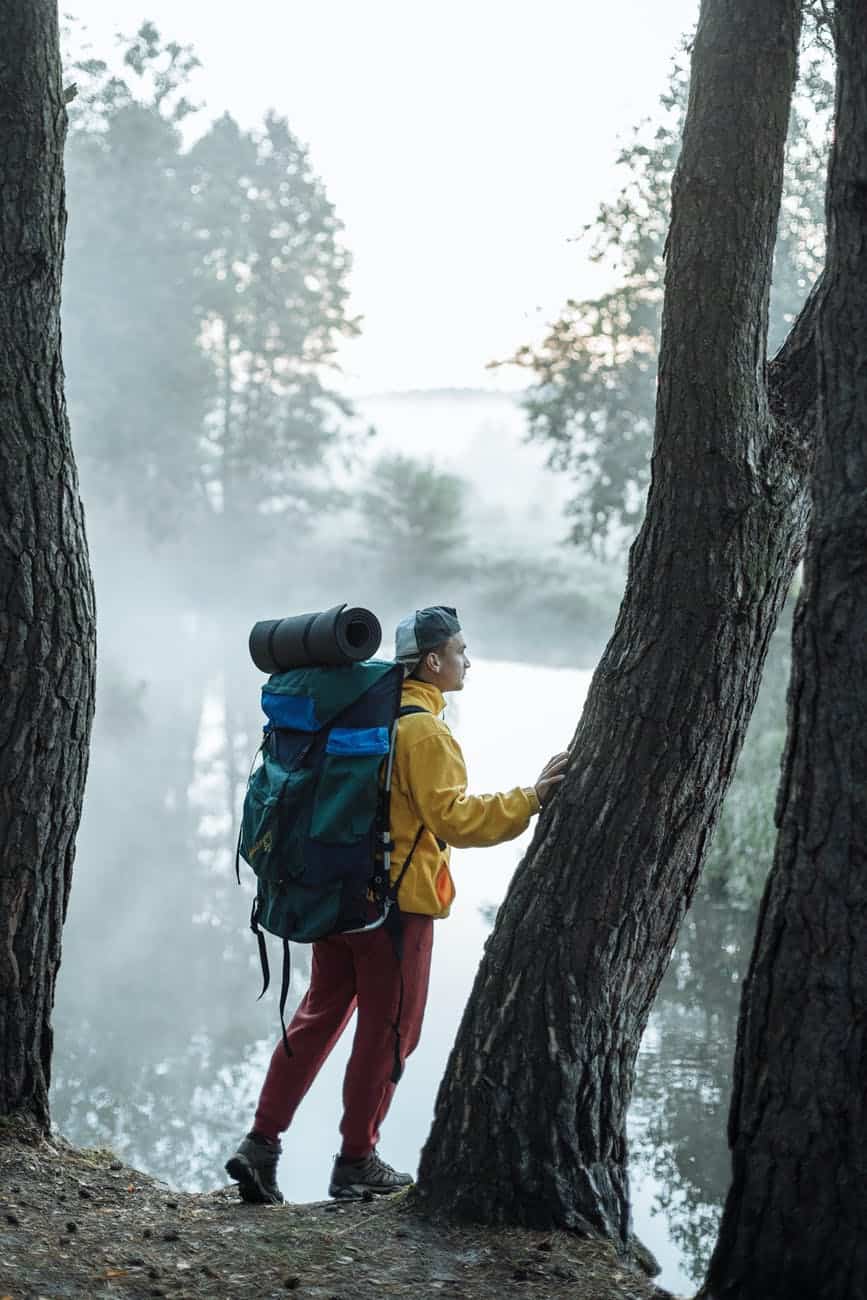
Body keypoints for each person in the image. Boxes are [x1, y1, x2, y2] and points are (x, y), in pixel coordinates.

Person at [225, 605, 568, 1205]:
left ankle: (261, 1144)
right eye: (461, 650)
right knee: (388, 1035)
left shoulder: (369, 713)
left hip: (334, 895)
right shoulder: (425, 731)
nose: (468, 660)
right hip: (393, 912)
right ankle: (356, 1160)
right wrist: (532, 798)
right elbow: (456, 820)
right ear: (433, 662)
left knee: (317, 1016)